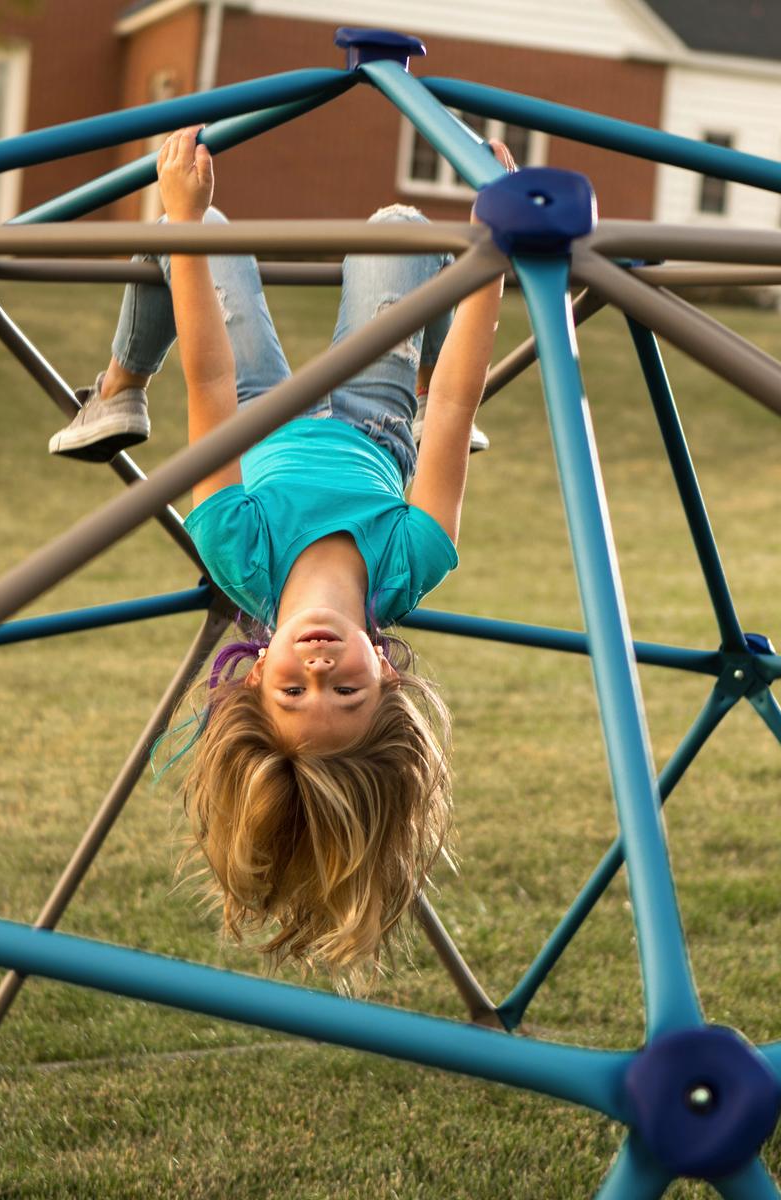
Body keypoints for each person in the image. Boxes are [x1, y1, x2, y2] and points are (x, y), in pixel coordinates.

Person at [49, 127, 512, 981]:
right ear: (388, 670)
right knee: (404, 224)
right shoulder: (415, 557)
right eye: (348, 689)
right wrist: (494, 252)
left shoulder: (236, 548)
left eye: (296, 690)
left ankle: (117, 387)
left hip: (257, 406)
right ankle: (412, 346)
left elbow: (214, 387)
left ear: (255, 674)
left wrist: (185, 223)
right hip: (381, 418)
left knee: (200, 223)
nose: (321, 667)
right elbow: (453, 408)